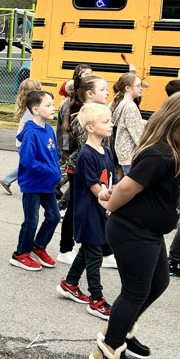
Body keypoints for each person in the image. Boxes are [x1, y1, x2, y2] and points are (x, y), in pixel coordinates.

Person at [89, 92, 180, 359]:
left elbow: (139, 186)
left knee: (159, 282)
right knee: (135, 291)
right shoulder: (160, 153)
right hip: (132, 231)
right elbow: (127, 187)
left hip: (149, 231)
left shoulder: (173, 151)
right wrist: (110, 203)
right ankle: (108, 349)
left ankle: (122, 329)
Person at [56, 103, 116, 318]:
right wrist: (109, 200)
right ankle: (96, 299)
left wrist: (115, 199)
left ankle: (70, 283)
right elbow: (95, 187)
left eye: (110, 120)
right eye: (106, 122)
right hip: (88, 213)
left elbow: (112, 179)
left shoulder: (106, 151)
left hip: (101, 211)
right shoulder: (86, 155)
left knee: (89, 250)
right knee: (95, 256)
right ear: (90, 128)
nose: (111, 124)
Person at [58, 75, 116, 268]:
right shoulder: (82, 117)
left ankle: (105, 251)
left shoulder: (99, 114)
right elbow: (87, 149)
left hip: (98, 169)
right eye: (102, 89)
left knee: (98, 209)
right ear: (90, 94)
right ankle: (65, 249)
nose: (107, 92)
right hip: (81, 171)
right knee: (76, 209)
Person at [9, 90, 62, 270]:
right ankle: (20, 254)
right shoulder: (31, 133)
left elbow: (54, 154)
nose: (53, 108)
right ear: (36, 110)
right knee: (31, 220)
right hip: (33, 184)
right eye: (48, 105)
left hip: (47, 184)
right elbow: (28, 161)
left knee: (54, 217)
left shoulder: (49, 129)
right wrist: (50, 170)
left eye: (53, 104)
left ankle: (38, 246)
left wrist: (55, 170)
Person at [0, 77, 41, 194]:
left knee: (26, 164)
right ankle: (9, 181)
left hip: (25, 143)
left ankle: (6, 181)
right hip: (26, 143)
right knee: (28, 165)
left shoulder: (27, 107)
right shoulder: (31, 111)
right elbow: (25, 129)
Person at [110, 73, 144, 174]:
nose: (141, 88)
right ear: (128, 88)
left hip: (124, 152)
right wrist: (144, 148)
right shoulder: (130, 106)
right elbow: (136, 132)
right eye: (138, 85)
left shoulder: (122, 103)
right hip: (130, 154)